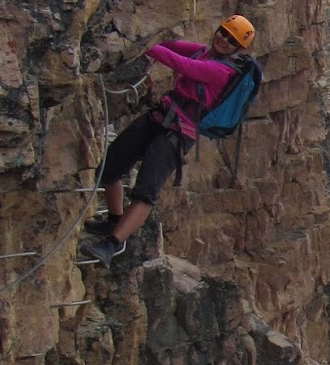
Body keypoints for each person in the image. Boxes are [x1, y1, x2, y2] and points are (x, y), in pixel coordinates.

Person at [81, 14, 256, 267]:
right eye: (223, 32)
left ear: (238, 49)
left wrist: (141, 45)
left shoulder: (221, 71)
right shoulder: (203, 52)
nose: (223, 39)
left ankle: (112, 244)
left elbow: (180, 64)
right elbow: (173, 46)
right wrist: (147, 39)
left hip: (178, 133)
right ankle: (114, 219)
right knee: (110, 168)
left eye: (232, 40)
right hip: (159, 117)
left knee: (146, 191)